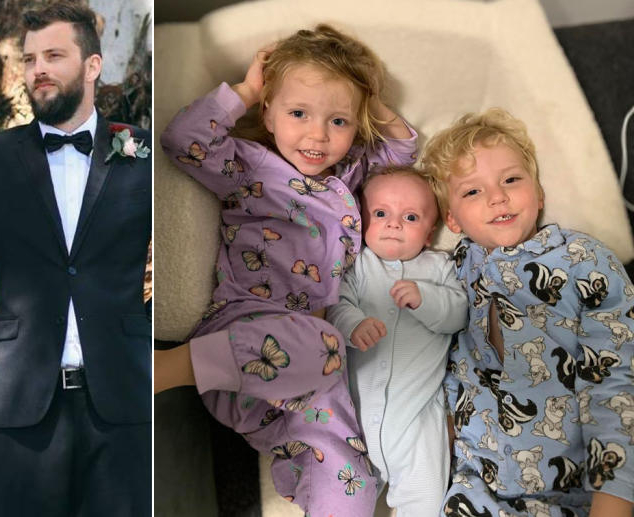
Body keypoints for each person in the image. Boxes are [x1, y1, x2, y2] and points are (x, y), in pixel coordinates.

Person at [157, 24, 416, 516]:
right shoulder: (250, 165)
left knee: (357, 479)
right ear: (269, 114)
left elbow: (401, 151)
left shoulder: (349, 178)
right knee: (324, 344)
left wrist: (371, 98)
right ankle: (163, 370)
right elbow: (183, 140)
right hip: (242, 333)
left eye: (339, 121)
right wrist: (246, 91)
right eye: (299, 113)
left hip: (313, 382)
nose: (318, 135)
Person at [0, 3, 152, 516]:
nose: (37, 69)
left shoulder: (141, 153)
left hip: (125, 409)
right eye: (29, 60)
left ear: (93, 66)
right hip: (19, 414)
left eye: (53, 55)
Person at [423, 108, 634, 517]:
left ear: (539, 194)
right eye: (472, 192)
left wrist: (614, 500)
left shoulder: (582, 259)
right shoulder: (447, 274)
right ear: (450, 218)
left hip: (579, 491)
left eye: (511, 180)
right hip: (476, 490)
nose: (497, 197)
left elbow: (617, 381)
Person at [325, 166, 467, 514]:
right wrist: (354, 325)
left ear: (430, 231)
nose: (394, 223)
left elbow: (459, 315)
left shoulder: (439, 268)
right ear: (361, 220)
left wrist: (426, 298)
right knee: (336, 497)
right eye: (381, 213)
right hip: (351, 421)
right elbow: (336, 308)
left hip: (416, 418)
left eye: (411, 216)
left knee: (425, 499)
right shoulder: (358, 267)